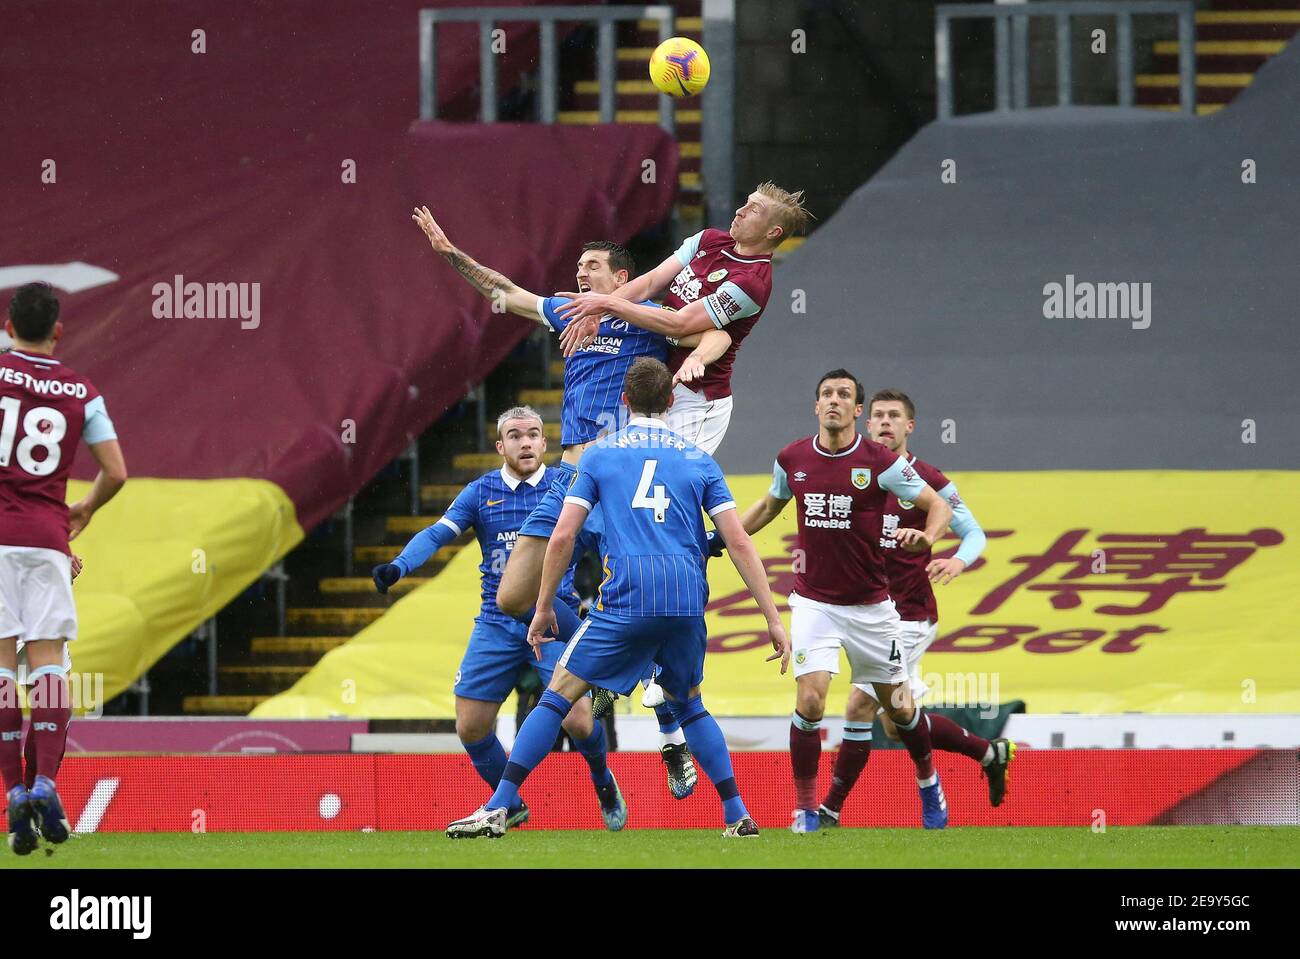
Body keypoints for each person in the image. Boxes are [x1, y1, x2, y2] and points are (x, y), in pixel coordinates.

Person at [408, 206, 733, 794]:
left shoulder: (644, 316)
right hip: (570, 473)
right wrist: (450, 253)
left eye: (592, 267)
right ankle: (600, 649)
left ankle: (669, 723)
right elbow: (505, 291)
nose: (580, 274)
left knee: (646, 593)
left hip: (625, 478)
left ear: (620, 277)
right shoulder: (564, 311)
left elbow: (714, 329)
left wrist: (696, 357)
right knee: (511, 596)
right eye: (578, 266)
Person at [445, 358, 790, 839]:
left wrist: (544, 606)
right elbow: (738, 541)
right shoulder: (698, 460)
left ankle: (499, 805)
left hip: (627, 597)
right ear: (671, 401)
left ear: (623, 401)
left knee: (557, 697)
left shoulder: (600, 457)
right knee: (691, 704)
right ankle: (737, 814)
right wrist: (772, 617)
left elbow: (563, 537)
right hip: (686, 600)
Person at [372, 407, 626, 830]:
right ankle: (510, 804)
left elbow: (610, 539)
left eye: (533, 435)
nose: (525, 443)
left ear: (546, 444)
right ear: (500, 446)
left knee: (580, 719)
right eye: (514, 435)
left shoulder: (574, 489)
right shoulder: (480, 491)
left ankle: (602, 778)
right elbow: (438, 533)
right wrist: (399, 566)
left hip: (552, 618)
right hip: (496, 622)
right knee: (471, 726)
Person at [734, 369, 955, 832]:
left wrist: (927, 537)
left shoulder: (880, 462)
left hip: (873, 607)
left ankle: (928, 780)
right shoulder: (792, 457)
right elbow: (768, 506)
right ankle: (807, 810)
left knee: (899, 708)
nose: (834, 401)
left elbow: (940, 505)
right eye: (827, 394)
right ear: (816, 406)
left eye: (844, 395)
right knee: (811, 700)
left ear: (857, 410)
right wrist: (719, 537)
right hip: (815, 603)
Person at [816, 389, 1013, 828]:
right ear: (867, 424)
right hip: (867, 612)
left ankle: (827, 811)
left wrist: (957, 559)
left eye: (895, 417)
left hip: (909, 614)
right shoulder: (856, 472)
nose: (885, 422)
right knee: (896, 719)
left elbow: (975, 533)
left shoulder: (927, 479)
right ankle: (988, 752)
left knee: (857, 705)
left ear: (910, 427)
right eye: (879, 416)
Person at [1, 283, 127, 855]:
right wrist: (84, 509)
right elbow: (117, 473)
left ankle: (13, 791)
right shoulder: (82, 391)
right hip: (48, 540)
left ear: (8, 326)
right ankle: (46, 780)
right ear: (58, 330)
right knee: (50, 665)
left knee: (3, 671)